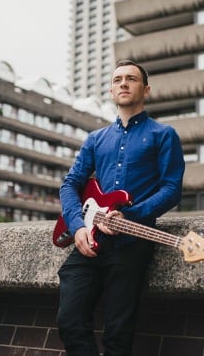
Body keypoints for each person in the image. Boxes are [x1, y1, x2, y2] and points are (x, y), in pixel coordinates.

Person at [57, 59, 185, 356]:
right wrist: (77, 227)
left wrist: (130, 214)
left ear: (146, 89)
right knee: (69, 322)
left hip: (131, 243)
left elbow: (171, 189)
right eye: (117, 80)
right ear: (111, 91)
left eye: (131, 79)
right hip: (88, 240)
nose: (123, 83)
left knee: (118, 335)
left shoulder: (163, 135)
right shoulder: (95, 139)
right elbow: (70, 184)